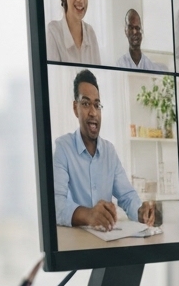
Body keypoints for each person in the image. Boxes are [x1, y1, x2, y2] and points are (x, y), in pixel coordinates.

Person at [53, 69, 157, 229]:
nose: (93, 112)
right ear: (75, 108)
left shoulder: (109, 152)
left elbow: (127, 196)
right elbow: (57, 205)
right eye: (86, 104)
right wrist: (89, 215)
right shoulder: (63, 148)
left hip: (105, 241)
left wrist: (140, 211)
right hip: (75, 244)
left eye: (97, 105)